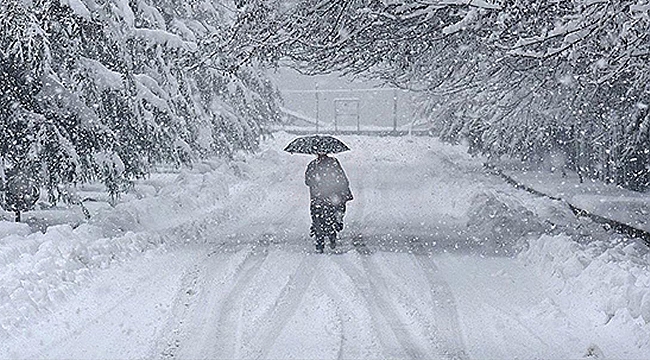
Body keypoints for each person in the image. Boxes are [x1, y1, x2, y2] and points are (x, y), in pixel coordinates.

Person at [305, 153, 353, 252]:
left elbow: (307, 181)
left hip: (317, 197)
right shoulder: (334, 163)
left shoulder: (313, 165)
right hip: (332, 197)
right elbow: (341, 178)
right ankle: (332, 236)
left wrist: (317, 183)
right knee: (331, 216)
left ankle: (319, 242)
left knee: (317, 218)